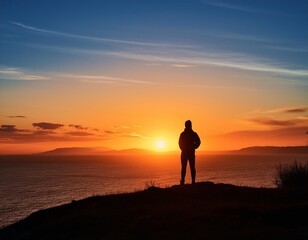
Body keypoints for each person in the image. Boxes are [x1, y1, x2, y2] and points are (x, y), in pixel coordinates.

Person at [179, 120, 201, 185]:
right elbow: (180, 143)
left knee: (188, 168)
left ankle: (187, 181)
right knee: (187, 168)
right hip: (188, 153)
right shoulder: (191, 134)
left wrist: (194, 147)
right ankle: (186, 181)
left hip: (187, 153)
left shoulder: (187, 134)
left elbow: (198, 142)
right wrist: (193, 147)